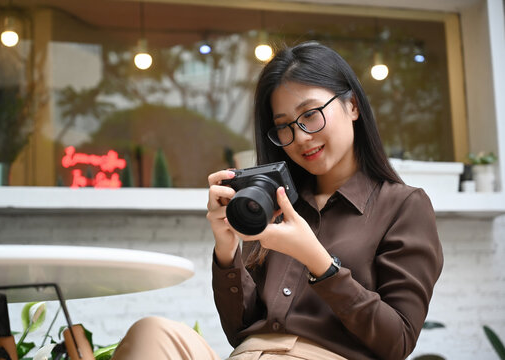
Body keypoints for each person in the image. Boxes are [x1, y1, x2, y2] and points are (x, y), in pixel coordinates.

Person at [111, 41, 443, 360]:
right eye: (283, 126)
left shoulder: (404, 206)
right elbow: (239, 329)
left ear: (352, 105)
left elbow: (398, 341)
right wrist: (226, 250)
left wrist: (318, 261)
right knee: (151, 333)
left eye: (310, 114)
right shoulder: (274, 202)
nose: (300, 137)